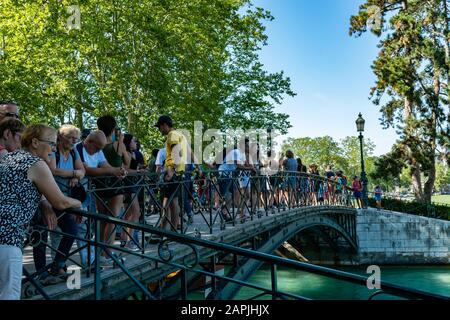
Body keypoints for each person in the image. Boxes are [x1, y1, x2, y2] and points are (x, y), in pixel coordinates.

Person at [0, 124, 81, 300]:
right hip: (8, 238)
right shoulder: (36, 164)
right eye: (51, 143)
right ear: (35, 142)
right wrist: (79, 203)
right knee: (9, 294)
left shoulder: (9, 158)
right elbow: (60, 201)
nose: (53, 148)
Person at [32, 124, 86, 283]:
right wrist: (75, 173)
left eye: (76, 138)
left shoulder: (74, 151)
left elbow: (82, 171)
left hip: (63, 200)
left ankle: (57, 265)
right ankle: (41, 274)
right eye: (71, 138)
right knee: (40, 234)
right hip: (46, 197)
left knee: (71, 230)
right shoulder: (52, 152)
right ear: (60, 137)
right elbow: (53, 170)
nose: (74, 141)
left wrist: (76, 176)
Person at [76, 130, 127, 266]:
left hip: (91, 191)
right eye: (97, 148)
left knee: (91, 224)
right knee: (82, 226)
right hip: (78, 192)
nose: (98, 151)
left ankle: (95, 257)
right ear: (89, 141)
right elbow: (87, 170)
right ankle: (88, 261)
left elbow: (105, 166)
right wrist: (112, 170)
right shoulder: (78, 149)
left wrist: (117, 171)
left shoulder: (98, 150)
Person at [154, 115, 187, 232]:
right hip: (180, 171)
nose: (159, 130)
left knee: (166, 203)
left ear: (164, 125)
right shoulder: (180, 135)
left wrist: (171, 170)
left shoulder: (172, 135)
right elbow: (188, 151)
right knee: (173, 202)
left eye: (159, 127)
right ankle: (173, 229)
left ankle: (166, 230)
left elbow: (176, 151)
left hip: (172, 172)